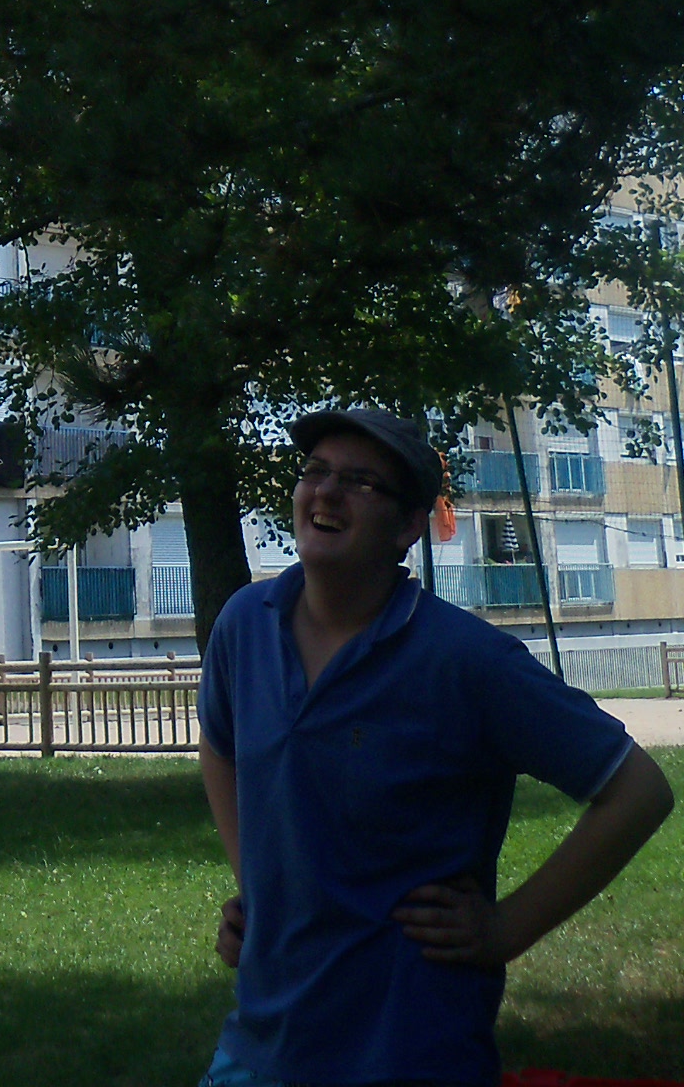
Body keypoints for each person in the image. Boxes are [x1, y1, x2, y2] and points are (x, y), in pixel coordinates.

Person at [197, 406, 674, 1087]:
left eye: (361, 482)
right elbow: (220, 745)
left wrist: (507, 929)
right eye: (315, 472)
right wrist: (259, 884)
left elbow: (638, 791)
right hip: (260, 1048)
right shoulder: (245, 625)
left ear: (408, 525)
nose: (326, 492)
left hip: (407, 1051)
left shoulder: (466, 662)